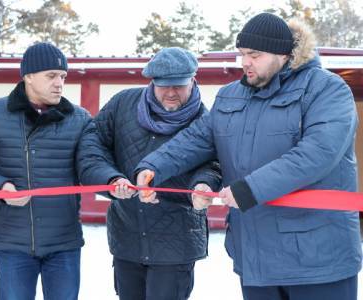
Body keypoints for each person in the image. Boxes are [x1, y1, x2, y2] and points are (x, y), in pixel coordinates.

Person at [136, 14, 362, 300]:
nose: (245, 63)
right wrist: (153, 167)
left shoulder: (327, 90)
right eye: (242, 54)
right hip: (256, 258)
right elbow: (195, 139)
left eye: (254, 55)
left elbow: (317, 153)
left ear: (283, 54)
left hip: (317, 260)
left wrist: (249, 189)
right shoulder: (231, 96)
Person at [0, 42, 106, 300]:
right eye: (51, 76)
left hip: (64, 244)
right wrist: (1, 188)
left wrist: (113, 180)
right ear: (28, 76)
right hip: (12, 244)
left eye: (63, 76)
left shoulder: (80, 118)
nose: (59, 83)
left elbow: (92, 163)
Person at [93, 47, 221, 300]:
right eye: (164, 85)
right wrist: (109, 179)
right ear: (151, 82)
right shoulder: (122, 104)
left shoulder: (205, 121)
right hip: (127, 238)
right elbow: (92, 149)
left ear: (193, 81)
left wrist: (204, 185)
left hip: (176, 243)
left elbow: (213, 163)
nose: (171, 92)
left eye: (179, 86)